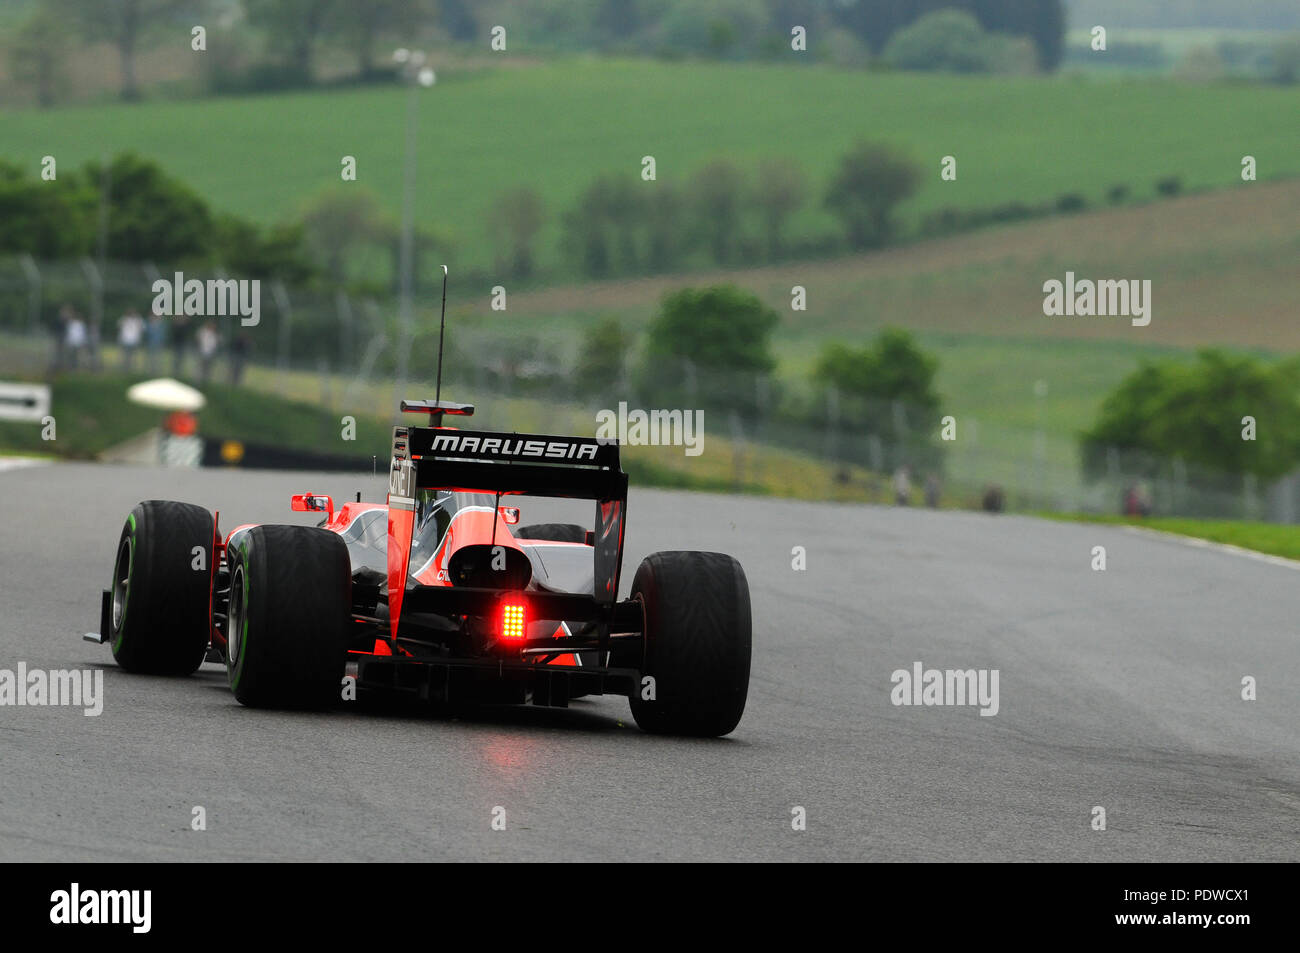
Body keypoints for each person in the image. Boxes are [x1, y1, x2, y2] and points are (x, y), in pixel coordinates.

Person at [117, 307, 145, 373]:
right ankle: (125, 369)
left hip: (134, 341)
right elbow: (119, 326)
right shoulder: (124, 319)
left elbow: (142, 328)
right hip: (125, 340)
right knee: (125, 356)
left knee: (133, 357)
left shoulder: (138, 320)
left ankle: (132, 369)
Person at [146, 308, 166, 375]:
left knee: (158, 357)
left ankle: (157, 370)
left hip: (159, 342)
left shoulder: (161, 323)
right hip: (150, 342)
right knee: (150, 357)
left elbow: (163, 333)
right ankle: (150, 370)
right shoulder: (149, 322)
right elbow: (147, 331)